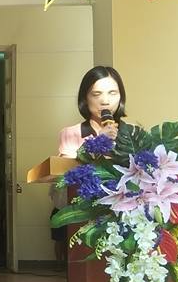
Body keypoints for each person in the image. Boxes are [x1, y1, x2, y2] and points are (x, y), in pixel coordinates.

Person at [52, 65, 130, 263]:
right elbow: (68, 173)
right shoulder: (71, 133)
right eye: (97, 94)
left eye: (112, 93)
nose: (105, 100)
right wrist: (99, 142)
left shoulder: (131, 132)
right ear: (85, 98)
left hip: (126, 217)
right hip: (84, 216)